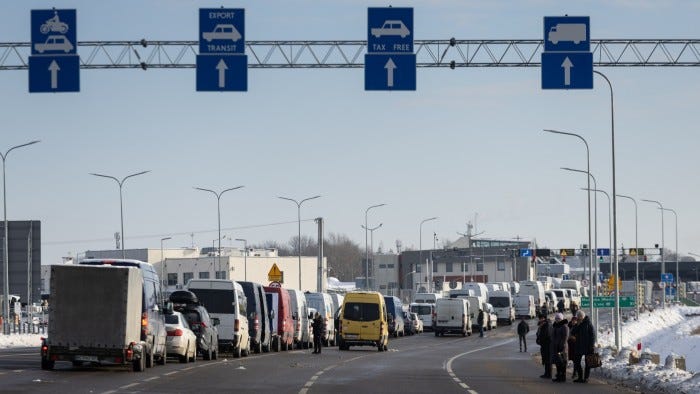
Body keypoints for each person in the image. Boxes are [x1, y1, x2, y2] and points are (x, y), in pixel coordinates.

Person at [570, 309, 596, 383]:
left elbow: (593, 335)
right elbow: (572, 332)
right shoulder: (578, 324)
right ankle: (580, 377)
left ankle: (586, 378)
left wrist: (592, 345)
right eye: (577, 317)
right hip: (579, 345)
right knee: (577, 362)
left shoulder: (588, 323)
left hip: (588, 346)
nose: (578, 318)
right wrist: (577, 325)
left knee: (587, 363)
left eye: (579, 317)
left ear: (583, 317)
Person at [550, 312, 569, 382]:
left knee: (562, 362)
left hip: (562, 348)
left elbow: (565, 338)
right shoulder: (555, 326)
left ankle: (563, 377)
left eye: (558, 318)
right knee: (557, 362)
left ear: (561, 319)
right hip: (555, 347)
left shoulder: (564, 326)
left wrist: (562, 346)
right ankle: (558, 376)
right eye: (556, 318)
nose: (557, 320)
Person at [536, 314, 552, 379]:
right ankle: (546, 373)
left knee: (548, 360)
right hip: (544, 345)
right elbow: (538, 334)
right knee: (545, 359)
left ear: (544, 319)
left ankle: (549, 374)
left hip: (547, 345)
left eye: (541, 318)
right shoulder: (542, 325)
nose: (540, 320)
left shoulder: (547, 325)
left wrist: (540, 340)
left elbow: (546, 335)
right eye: (539, 319)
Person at [567, 315, 579, 380]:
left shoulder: (578, 327)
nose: (574, 322)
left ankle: (575, 373)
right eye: (573, 321)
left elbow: (579, 336)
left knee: (575, 360)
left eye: (575, 321)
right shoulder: (568, 326)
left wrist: (574, 338)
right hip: (569, 345)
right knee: (568, 358)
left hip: (575, 345)